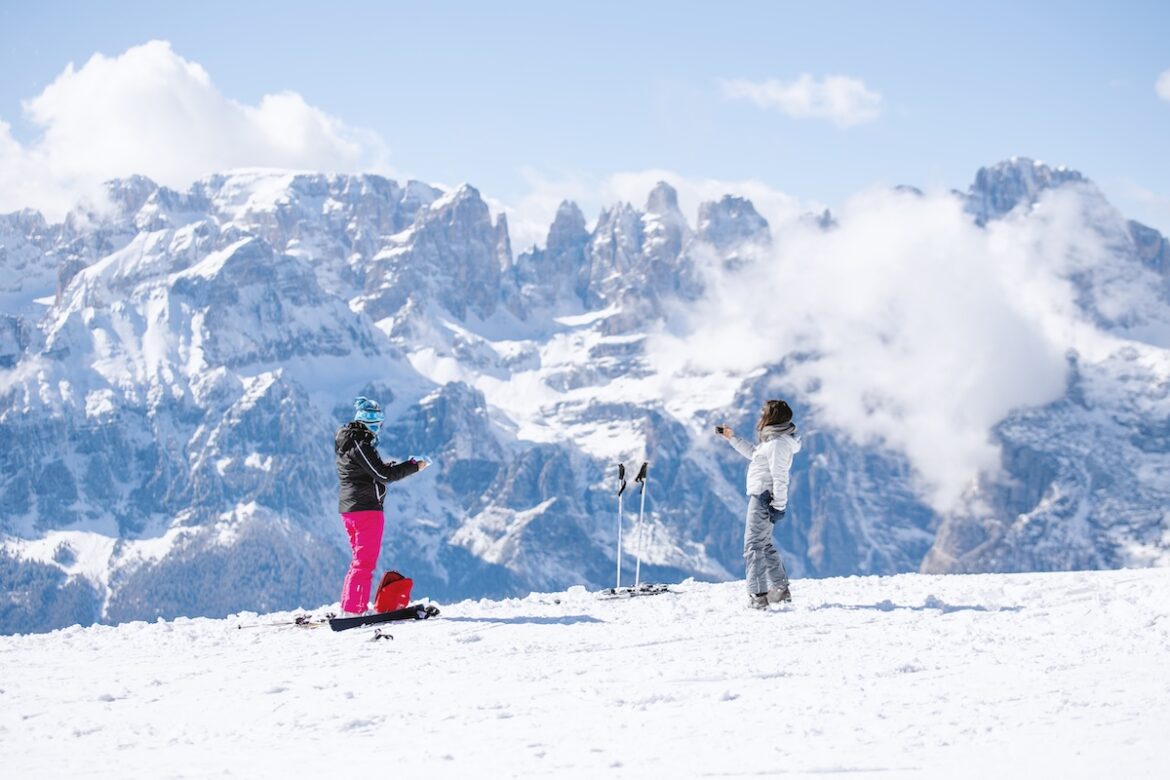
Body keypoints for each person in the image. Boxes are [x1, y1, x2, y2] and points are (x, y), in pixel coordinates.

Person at [335, 396, 429, 616]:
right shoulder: (360, 443)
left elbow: (368, 471)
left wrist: (387, 467)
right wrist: (414, 466)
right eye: (377, 424)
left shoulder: (349, 443)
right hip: (365, 509)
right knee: (365, 562)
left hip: (351, 509)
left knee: (360, 561)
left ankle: (350, 607)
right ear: (369, 423)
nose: (379, 429)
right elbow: (383, 475)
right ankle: (353, 611)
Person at [717, 399, 802, 609]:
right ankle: (780, 590)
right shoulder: (772, 441)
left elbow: (780, 475)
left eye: (763, 412)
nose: (759, 416)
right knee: (763, 545)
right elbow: (755, 455)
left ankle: (758, 596)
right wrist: (732, 438)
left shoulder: (778, 444)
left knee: (753, 546)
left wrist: (779, 505)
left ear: (771, 416)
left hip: (763, 497)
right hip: (763, 496)